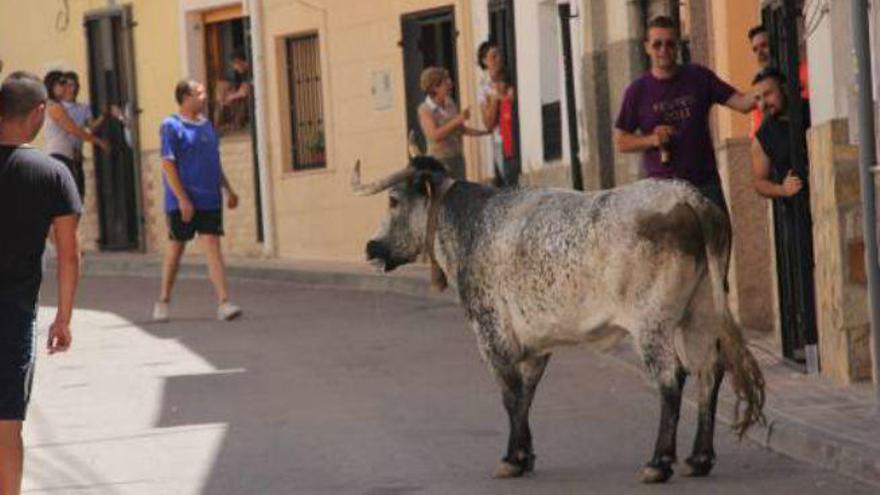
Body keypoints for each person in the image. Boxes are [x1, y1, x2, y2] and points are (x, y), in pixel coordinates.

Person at [0, 71, 82, 495]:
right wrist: (63, 319)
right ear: (37, 114)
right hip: (13, 317)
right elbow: (69, 253)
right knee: (6, 422)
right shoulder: (52, 173)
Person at [615, 15, 756, 210]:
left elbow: (742, 103)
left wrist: (767, 85)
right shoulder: (637, 91)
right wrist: (652, 140)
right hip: (662, 193)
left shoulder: (698, 76)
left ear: (678, 45)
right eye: (657, 45)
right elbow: (621, 142)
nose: (664, 50)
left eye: (670, 44)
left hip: (704, 185)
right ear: (647, 47)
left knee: (719, 240)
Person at [153, 80, 242, 322]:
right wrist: (182, 199)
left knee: (212, 244)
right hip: (182, 201)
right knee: (177, 248)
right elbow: (167, 164)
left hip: (209, 198)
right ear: (185, 97)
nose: (204, 97)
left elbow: (214, 163)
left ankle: (224, 302)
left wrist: (228, 190)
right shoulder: (171, 126)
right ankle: (163, 299)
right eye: (199, 93)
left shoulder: (207, 127)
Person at [42, 70, 108, 200]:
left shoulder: (57, 106)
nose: (66, 87)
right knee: (69, 201)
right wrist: (99, 142)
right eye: (62, 83)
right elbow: (74, 130)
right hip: (59, 157)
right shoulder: (54, 107)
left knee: (73, 199)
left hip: (67, 157)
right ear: (52, 86)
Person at [416, 67, 487, 180]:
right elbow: (434, 135)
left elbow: (459, 129)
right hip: (439, 161)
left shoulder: (449, 103)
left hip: (457, 158)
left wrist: (482, 133)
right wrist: (459, 119)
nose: (450, 85)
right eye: (446, 82)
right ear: (435, 87)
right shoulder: (425, 109)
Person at [750, 68, 804, 199]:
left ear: (783, 88)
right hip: (797, 209)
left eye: (768, 94)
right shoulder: (762, 137)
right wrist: (782, 190)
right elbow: (759, 183)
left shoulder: (811, 110)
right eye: (758, 98)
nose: (763, 103)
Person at [476, 41, 506, 185]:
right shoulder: (483, 87)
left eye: (499, 55)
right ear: (484, 61)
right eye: (493, 56)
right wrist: (495, 98)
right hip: (500, 137)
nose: (498, 59)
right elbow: (488, 123)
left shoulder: (509, 76)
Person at [495, 72, 519, 187]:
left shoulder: (509, 101)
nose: (498, 86)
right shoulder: (500, 102)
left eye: (501, 82)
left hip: (514, 150)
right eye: (496, 83)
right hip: (506, 150)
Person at [748, 25, 771, 137]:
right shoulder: (758, 87)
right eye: (755, 49)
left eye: (764, 45)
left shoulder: (803, 72)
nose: (760, 53)